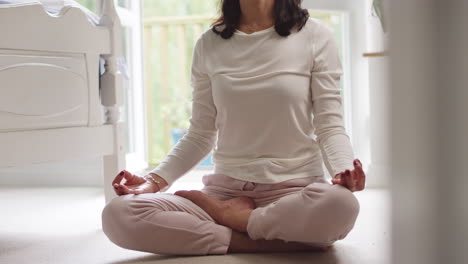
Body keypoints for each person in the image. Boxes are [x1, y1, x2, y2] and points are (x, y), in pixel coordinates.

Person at [102, 0, 366, 256]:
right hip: (224, 195)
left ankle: (238, 222)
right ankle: (267, 238)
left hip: (294, 194)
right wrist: (154, 181)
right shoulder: (209, 44)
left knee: (341, 205)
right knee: (118, 214)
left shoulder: (315, 36)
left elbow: (329, 126)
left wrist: (343, 171)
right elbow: (200, 134)